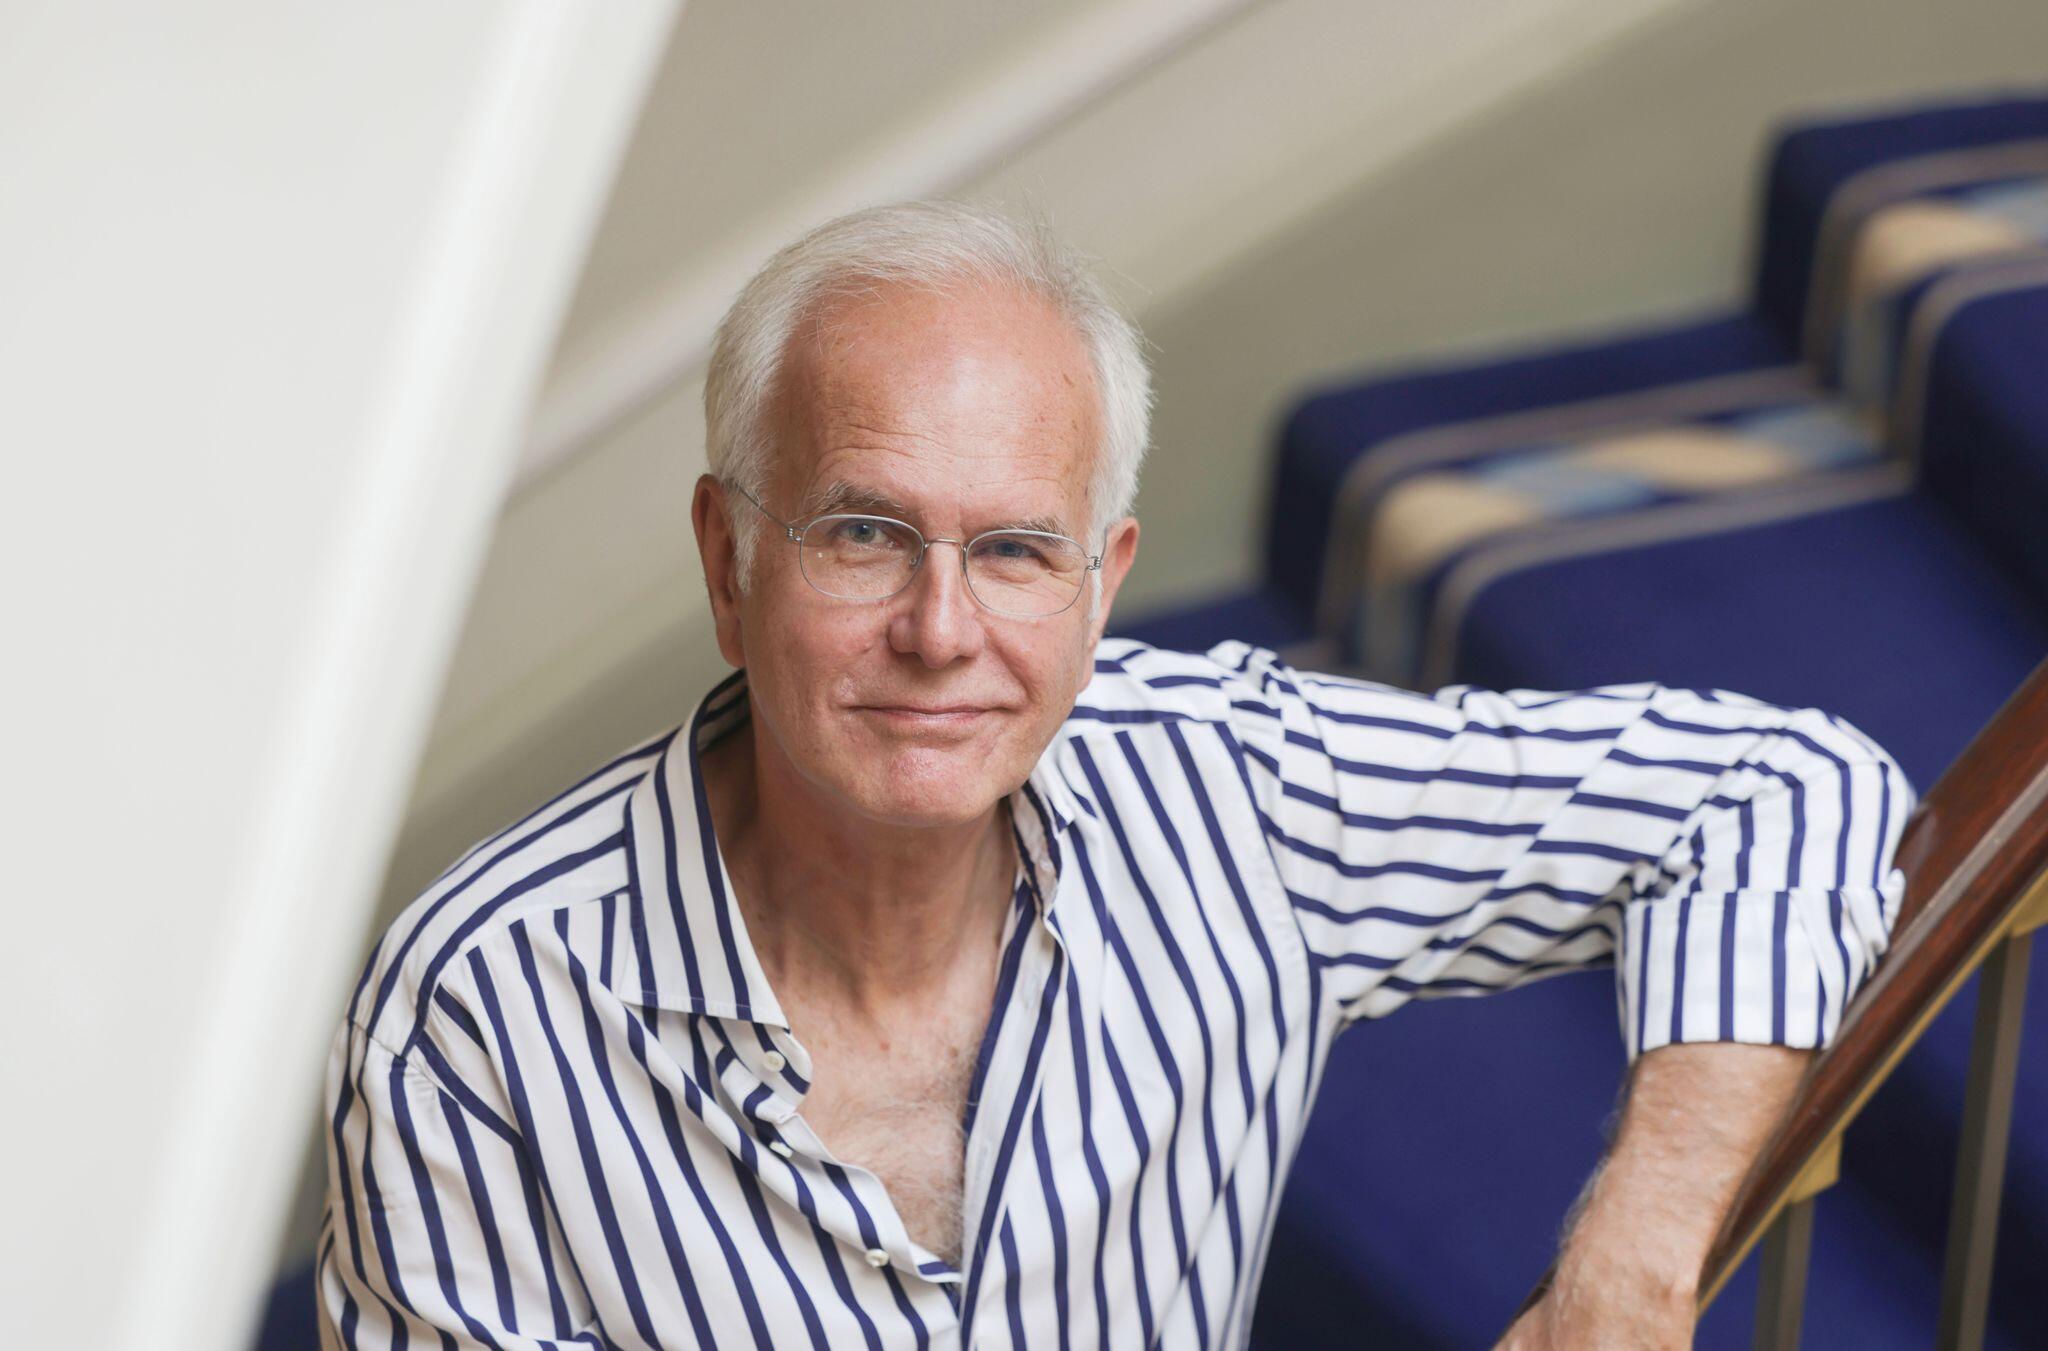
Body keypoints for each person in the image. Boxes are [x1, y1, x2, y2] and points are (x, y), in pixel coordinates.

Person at [317, 199, 1912, 1349]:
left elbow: (1782, 790)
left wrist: (1632, 1257)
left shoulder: (1231, 793)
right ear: (730, 559)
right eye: (865, 533)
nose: (941, 631)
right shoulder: (480, 1012)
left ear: (1103, 586)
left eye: (1017, 551)